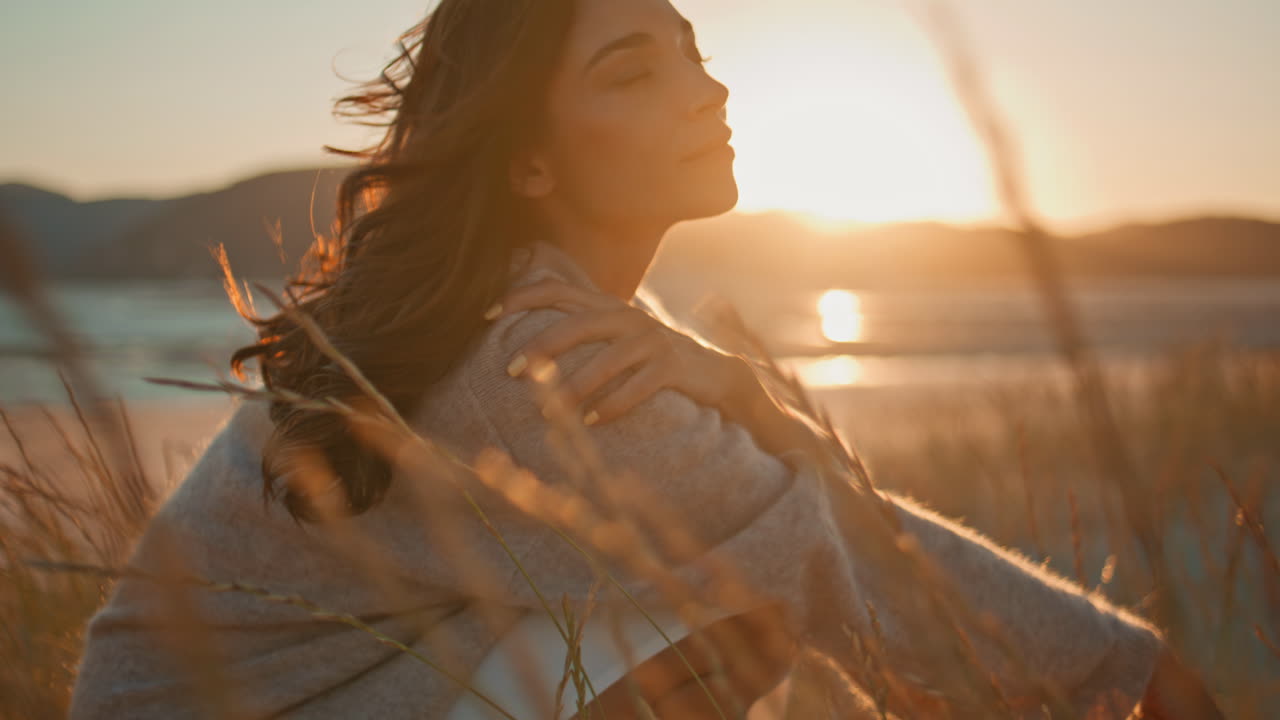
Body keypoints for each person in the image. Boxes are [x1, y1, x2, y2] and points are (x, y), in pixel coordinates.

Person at [68, 0, 1223, 717]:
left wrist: (740, 387)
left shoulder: (558, 306)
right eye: (633, 71)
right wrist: (1128, 671)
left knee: (690, 597)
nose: (703, 88)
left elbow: (807, 522)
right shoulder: (536, 358)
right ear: (526, 162)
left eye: (689, 50)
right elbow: (827, 552)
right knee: (724, 616)